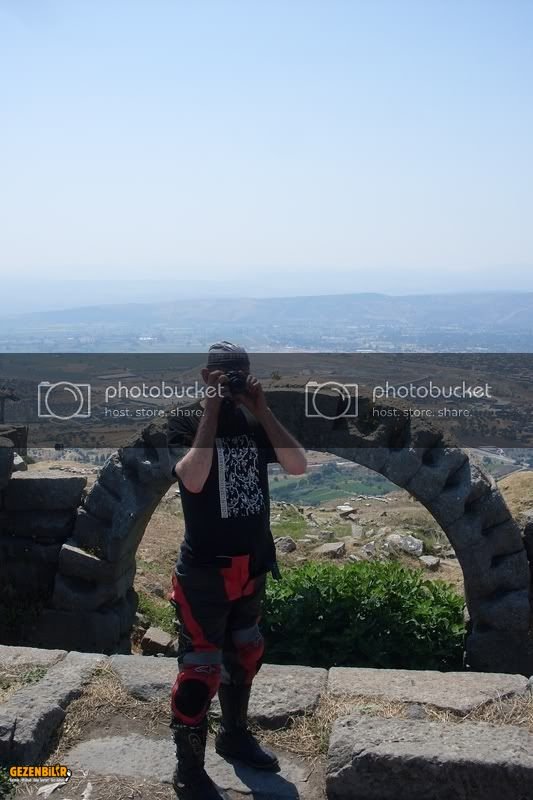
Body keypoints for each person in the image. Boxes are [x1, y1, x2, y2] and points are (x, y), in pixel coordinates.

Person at [167, 341, 307, 800]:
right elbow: (193, 479)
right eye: (224, 375)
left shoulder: (254, 420)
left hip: (251, 566)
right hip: (205, 574)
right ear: (206, 376)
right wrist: (210, 410)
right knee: (199, 673)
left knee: (245, 654)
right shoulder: (186, 421)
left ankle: (234, 735)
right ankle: (188, 771)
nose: (231, 383)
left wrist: (261, 409)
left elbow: (297, 464)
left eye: (238, 374)